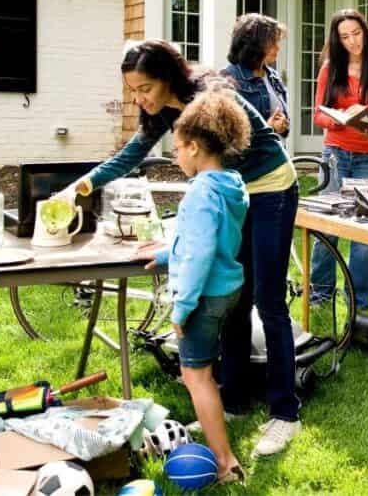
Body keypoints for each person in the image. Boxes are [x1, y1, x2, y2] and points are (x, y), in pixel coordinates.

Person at [63, 40, 302, 457]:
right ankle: (234, 401)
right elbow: (129, 156)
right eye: (132, 91)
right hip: (236, 194)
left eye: (145, 89)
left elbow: (234, 156)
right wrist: (80, 186)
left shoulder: (212, 100)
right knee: (234, 297)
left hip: (271, 189)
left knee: (268, 301)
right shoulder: (162, 116)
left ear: (168, 78)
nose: (139, 98)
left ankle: (285, 413)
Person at [139, 90, 250, 484]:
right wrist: (169, 253)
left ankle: (225, 463)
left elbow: (200, 255)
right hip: (227, 289)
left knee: (195, 376)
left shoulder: (201, 192)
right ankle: (216, 428)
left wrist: (181, 310)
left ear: (197, 147)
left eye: (179, 149)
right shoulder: (230, 183)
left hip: (203, 296)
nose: (175, 157)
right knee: (204, 370)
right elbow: (206, 238)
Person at [311, 9, 368, 312]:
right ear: (337, 40)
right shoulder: (329, 70)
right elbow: (319, 114)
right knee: (330, 223)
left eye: (357, 33)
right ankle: (320, 294)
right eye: (345, 36)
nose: (353, 41)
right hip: (336, 152)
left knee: (364, 227)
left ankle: (359, 300)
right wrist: (342, 119)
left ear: (366, 32)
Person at [223, 13, 290, 138]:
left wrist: (283, 125)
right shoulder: (228, 79)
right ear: (255, 45)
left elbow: (285, 126)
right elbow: (228, 133)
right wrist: (268, 128)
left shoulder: (273, 77)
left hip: (275, 155)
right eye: (273, 43)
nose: (278, 48)